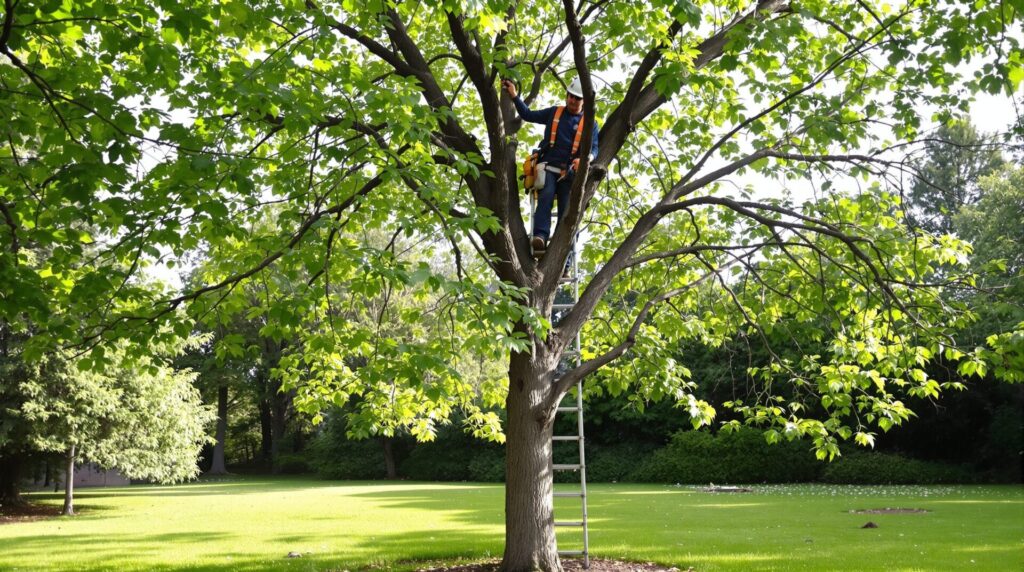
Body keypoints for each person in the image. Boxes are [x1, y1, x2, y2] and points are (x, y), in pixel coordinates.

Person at [502, 77, 599, 259]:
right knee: (545, 196)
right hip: (548, 167)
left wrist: (586, 160)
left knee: (568, 214)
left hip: (569, 174)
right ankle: (540, 236)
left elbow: (595, 148)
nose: (572, 100)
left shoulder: (590, 123)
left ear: (584, 101)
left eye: (577, 98)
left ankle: (565, 261)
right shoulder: (554, 113)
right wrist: (514, 96)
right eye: (571, 96)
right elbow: (528, 115)